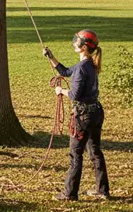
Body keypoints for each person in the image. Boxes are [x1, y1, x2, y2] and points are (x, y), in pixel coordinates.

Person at [43, 29, 111, 201]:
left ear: (84, 47)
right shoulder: (89, 64)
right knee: (95, 152)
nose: (75, 43)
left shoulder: (82, 68)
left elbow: (74, 95)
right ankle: (102, 190)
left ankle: (69, 193)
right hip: (95, 113)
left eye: (78, 41)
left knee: (75, 154)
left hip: (83, 117)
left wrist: (60, 91)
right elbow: (66, 72)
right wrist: (51, 57)